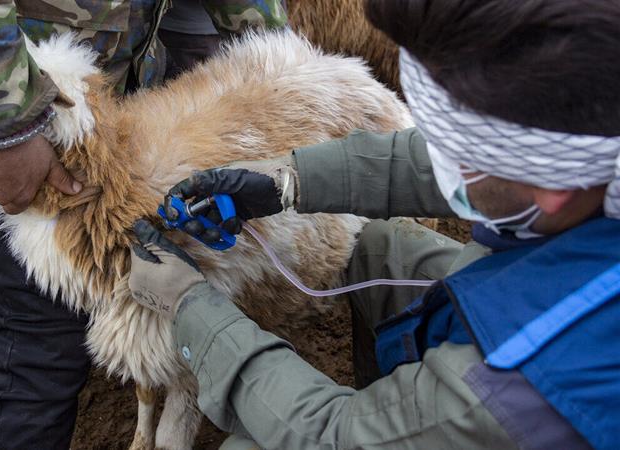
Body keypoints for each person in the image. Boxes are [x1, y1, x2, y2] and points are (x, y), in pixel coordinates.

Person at [127, 1, 620, 449]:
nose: (438, 154)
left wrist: (192, 307)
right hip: (530, 288)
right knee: (378, 245)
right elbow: (442, 163)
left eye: (457, 151)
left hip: (505, 389)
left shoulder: (510, 385)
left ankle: (404, 417)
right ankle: (393, 391)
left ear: (551, 189)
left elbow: (333, 434)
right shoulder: (585, 156)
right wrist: (287, 179)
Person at [0, 0, 287, 448]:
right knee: (40, 348)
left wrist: (276, 53)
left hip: (117, 112)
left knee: (139, 300)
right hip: (23, 120)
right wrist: (3, 132)